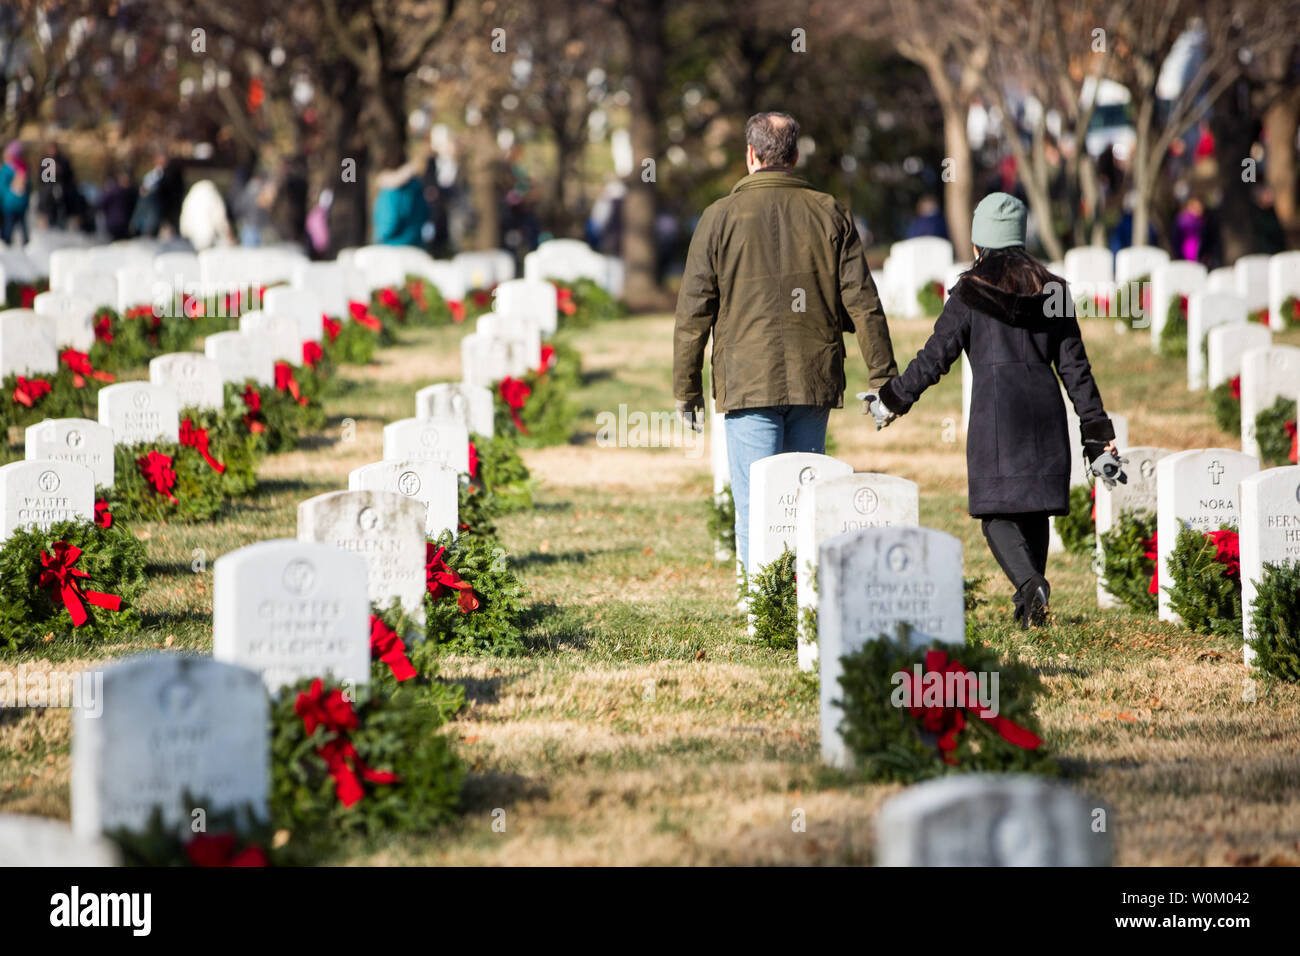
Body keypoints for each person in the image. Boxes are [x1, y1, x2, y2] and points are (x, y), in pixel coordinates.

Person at [864, 193, 1121, 626]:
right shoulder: (1053, 290)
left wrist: (891, 400)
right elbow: (1076, 369)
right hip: (1045, 414)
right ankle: (1031, 614)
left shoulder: (970, 292)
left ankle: (1030, 587)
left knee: (997, 515)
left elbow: (934, 357)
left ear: (979, 241)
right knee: (1034, 510)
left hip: (996, 419)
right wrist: (1096, 435)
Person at [674, 111, 899, 575]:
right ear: (795, 156)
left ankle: (762, 610)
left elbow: (693, 311)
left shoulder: (717, 218)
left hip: (746, 380)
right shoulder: (830, 212)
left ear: (751, 155)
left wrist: (686, 390)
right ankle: (799, 603)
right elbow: (863, 301)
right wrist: (884, 378)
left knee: (757, 505)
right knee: (803, 503)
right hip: (812, 375)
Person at [372, 148, 429, 247]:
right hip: (416, 244)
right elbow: (426, 214)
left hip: (392, 246)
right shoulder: (417, 186)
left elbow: (389, 222)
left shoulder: (390, 191)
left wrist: (379, 238)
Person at [36, 141, 82, 228]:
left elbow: (70, 177)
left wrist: (61, 171)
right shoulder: (45, 161)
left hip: (63, 190)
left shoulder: (63, 161)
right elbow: (41, 179)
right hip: (48, 191)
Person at [0, 141, 31, 244]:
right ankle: (26, 241)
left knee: (8, 224)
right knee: (22, 224)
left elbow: (2, 186)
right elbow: (28, 187)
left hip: (9, 203)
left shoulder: (7, 168)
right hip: (21, 203)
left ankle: (6, 242)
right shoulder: (24, 168)